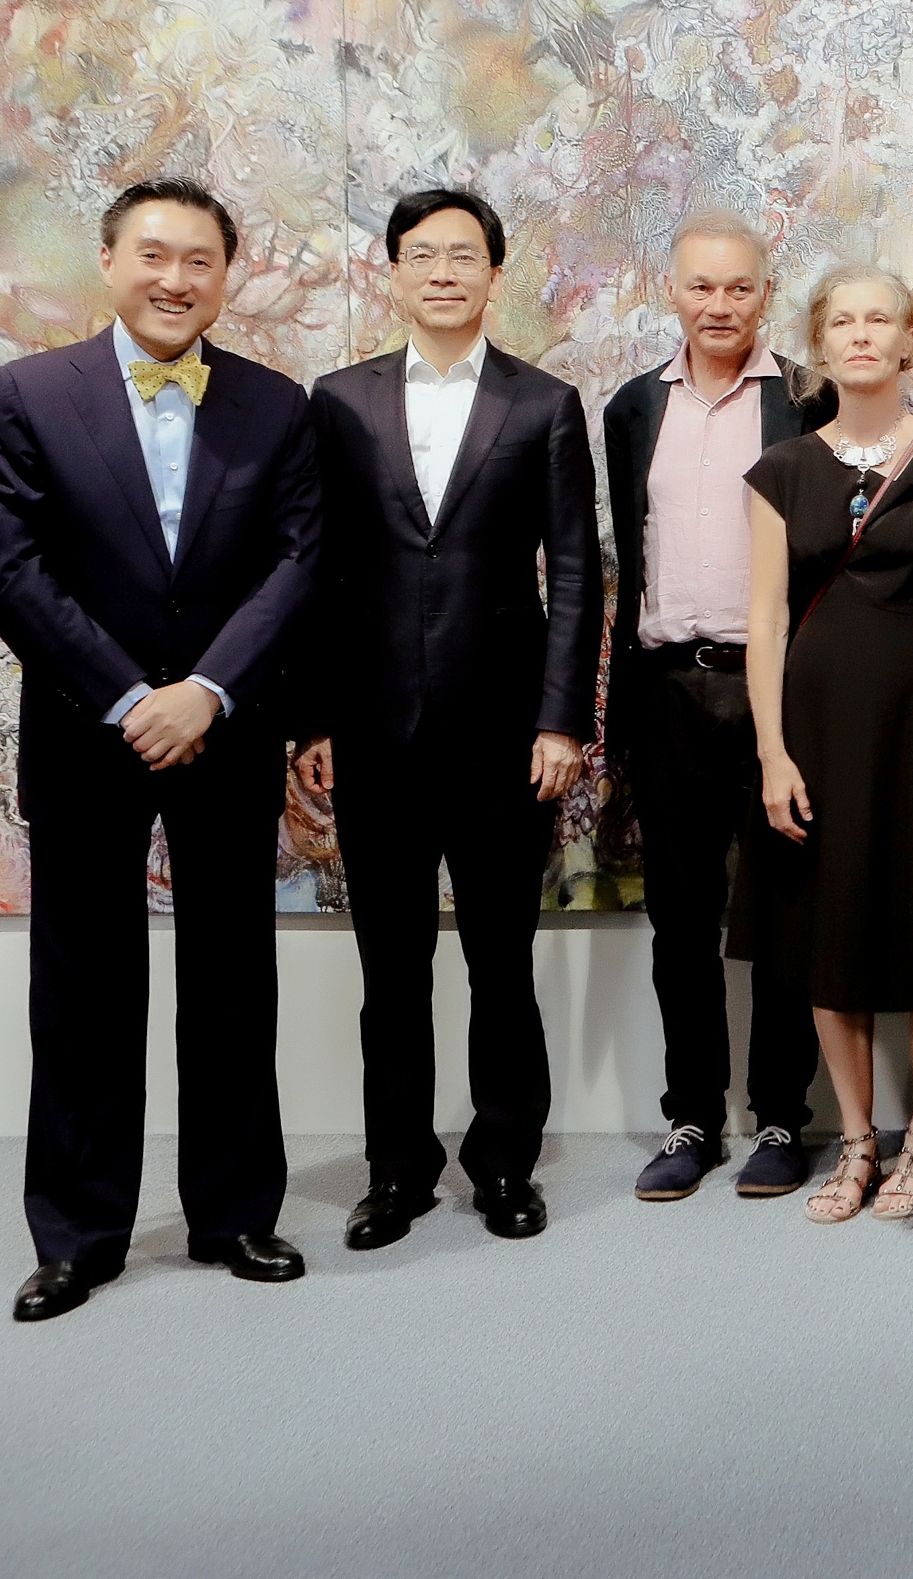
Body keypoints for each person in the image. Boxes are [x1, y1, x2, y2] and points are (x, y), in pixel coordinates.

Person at [0, 180, 320, 1322]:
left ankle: (235, 1215)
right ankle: (77, 1237)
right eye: (155, 255)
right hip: (87, 731)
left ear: (227, 275)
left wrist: (207, 691)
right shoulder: (29, 393)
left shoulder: (276, 403)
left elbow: (299, 564)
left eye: (200, 260)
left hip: (226, 729)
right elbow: (9, 570)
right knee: (83, 989)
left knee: (233, 979)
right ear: (111, 261)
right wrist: (130, 698)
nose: (176, 279)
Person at [295, 188, 600, 1251]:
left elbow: (576, 569)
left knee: (501, 962)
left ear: (493, 274)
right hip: (371, 730)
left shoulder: (544, 403)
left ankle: (505, 1162)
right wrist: (312, 719)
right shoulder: (338, 400)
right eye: (421, 254)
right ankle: (397, 1171)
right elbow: (314, 569)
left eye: (463, 254)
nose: (442, 271)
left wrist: (561, 721)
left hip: (506, 734)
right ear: (393, 271)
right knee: (391, 969)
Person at [740, 266, 913, 1226]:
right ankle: (855, 1139)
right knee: (828, 924)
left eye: (878, 319)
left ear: (906, 339)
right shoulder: (782, 469)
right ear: (820, 345)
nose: (859, 334)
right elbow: (764, 623)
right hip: (818, 723)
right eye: (841, 321)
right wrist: (773, 752)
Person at [604, 211, 836, 1201]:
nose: (720, 305)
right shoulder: (630, 408)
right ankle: (692, 1116)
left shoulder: (810, 399)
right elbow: (630, 551)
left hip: (779, 687)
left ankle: (783, 1115)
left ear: (765, 294)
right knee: (680, 917)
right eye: (701, 285)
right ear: (672, 290)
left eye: (739, 286)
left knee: (785, 909)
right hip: (667, 687)